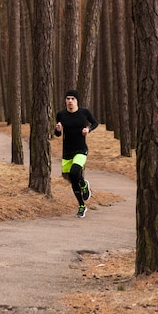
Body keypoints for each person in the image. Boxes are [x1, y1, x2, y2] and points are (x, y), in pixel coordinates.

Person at [54, 89, 99, 218]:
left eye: (72, 99)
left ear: (76, 100)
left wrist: (88, 129)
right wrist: (57, 130)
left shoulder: (84, 113)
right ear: (65, 101)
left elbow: (95, 122)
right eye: (68, 99)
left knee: (75, 172)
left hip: (81, 150)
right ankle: (81, 205)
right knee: (72, 179)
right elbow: (57, 134)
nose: (70, 101)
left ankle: (84, 185)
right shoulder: (61, 114)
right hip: (67, 151)